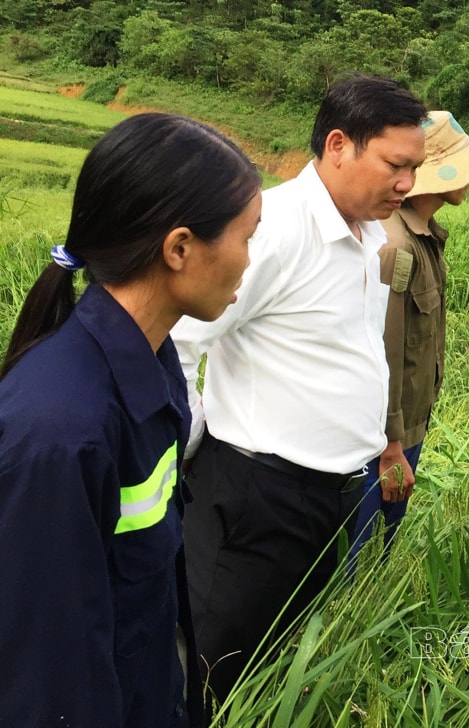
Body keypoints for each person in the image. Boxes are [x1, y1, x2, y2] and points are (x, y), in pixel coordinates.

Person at [170, 74, 427, 707]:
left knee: (273, 664)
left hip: (327, 498)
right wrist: (192, 440)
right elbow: (173, 338)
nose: (407, 185)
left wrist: (383, 442)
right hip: (255, 499)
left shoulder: (368, 236)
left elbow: (356, 354)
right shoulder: (274, 229)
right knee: (213, 671)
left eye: (414, 169)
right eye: (396, 165)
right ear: (338, 145)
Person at [0, 113, 261, 727]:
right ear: (178, 248)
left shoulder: (154, 361)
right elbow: (49, 680)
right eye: (247, 238)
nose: (250, 262)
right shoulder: (60, 431)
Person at [350, 110, 469, 559]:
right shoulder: (395, 247)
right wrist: (390, 444)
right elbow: (382, 351)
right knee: (361, 547)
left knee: (385, 539)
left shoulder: (425, 235)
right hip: (385, 436)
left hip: (409, 422)